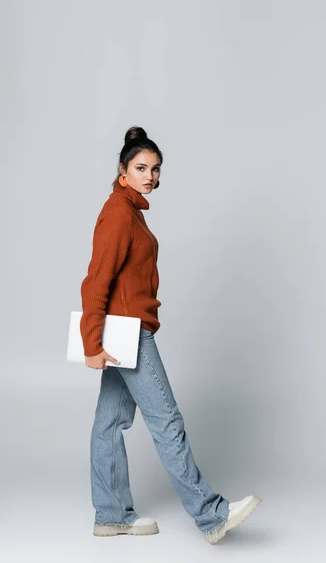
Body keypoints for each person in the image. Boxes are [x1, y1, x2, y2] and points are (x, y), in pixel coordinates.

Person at [79, 125, 262, 544]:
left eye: (156, 169)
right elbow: (96, 281)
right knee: (167, 422)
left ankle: (110, 514)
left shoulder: (130, 211)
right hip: (127, 332)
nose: (151, 176)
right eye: (142, 167)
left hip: (122, 330)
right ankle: (211, 515)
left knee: (109, 422)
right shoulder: (118, 213)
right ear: (122, 170)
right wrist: (92, 343)